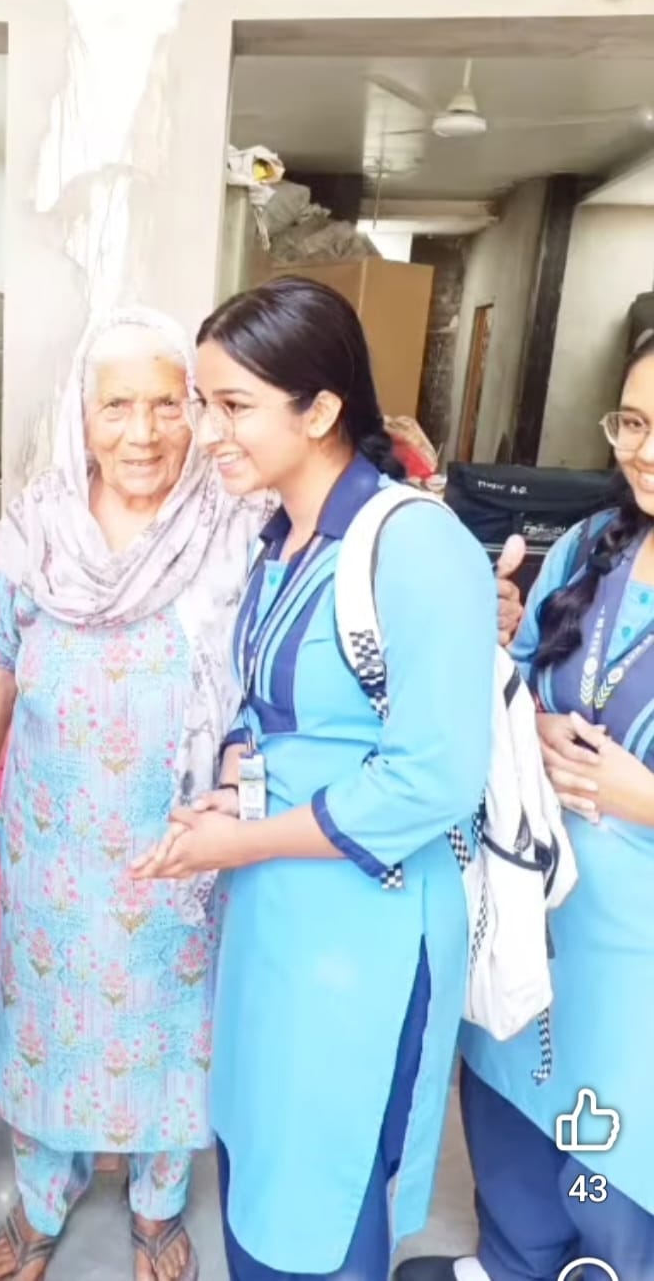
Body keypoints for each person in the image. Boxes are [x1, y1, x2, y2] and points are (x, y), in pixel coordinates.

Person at [132, 276, 498, 1281]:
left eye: (233, 405)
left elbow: (434, 777)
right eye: (204, 402)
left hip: (364, 928)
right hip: (277, 909)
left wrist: (240, 838)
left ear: (322, 408)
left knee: (323, 1188)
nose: (208, 431)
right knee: (260, 1152)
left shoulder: (414, 545)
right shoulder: (283, 539)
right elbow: (278, 714)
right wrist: (232, 786)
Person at [0, 306, 270, 1281]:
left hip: (179, 846)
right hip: (54, 849)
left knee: (172, 1031)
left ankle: (157, 1205)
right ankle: (43, 1197)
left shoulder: (233, 525)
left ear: (195, 411)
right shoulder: (40, 530)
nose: (143, 432)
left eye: (168, 405)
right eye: (117, 406)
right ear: (79, 417)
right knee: (49, 1027)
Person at [398, 339, 654, 1281]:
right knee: (512, 1120)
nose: (643, 452)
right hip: (530, 912)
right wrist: (530, 714)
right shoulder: (590, 547)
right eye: (633, 423)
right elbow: (518, 682)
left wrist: (640, 796)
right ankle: (510, 1264)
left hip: (639, 968)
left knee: (616, 1165)